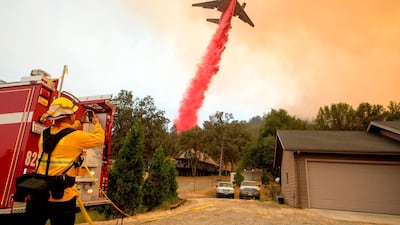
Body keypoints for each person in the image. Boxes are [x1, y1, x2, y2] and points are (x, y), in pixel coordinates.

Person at [24, 97, 105, 225]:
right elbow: (99, 139)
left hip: (39, 195)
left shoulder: (45, 134)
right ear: (68, 116)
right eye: (73, 113)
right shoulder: (75, 137)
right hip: (62, 198)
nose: (74, 114)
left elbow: (63, 133)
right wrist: (96, 124)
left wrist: (79, 122)